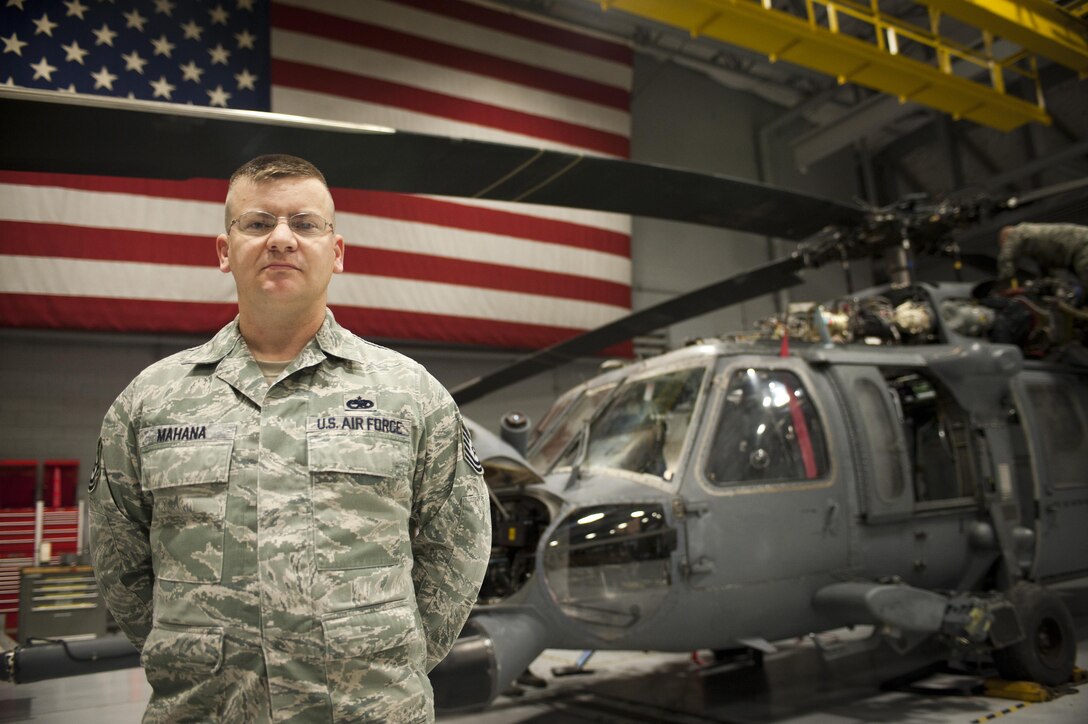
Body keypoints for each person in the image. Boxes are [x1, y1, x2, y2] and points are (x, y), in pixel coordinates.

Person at [88, 154, 491, 723]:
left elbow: (457, 553)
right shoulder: (151, 401)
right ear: (225, 251)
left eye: (304, 224)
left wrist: (376, 667)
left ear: (337, 251)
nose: (281, 239)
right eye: (257, 224)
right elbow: (118, 561)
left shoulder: (410, 395)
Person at [996, 222, 1088, 291]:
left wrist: (1006, 287)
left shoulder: (1017, 233)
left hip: (1082, 246)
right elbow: (1047, 272)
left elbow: (1006, 259)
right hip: (1078, 249)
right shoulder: (1033, 242)